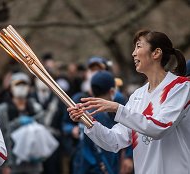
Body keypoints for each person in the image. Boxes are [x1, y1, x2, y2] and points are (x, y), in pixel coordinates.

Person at [68, 29, 190, 174]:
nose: (133, 53)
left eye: (138, 46)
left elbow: (160, 127)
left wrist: (117, 108)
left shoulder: (181, 87)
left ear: (156, 53)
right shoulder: (137, 96)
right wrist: (87, 120)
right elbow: (114, 141)